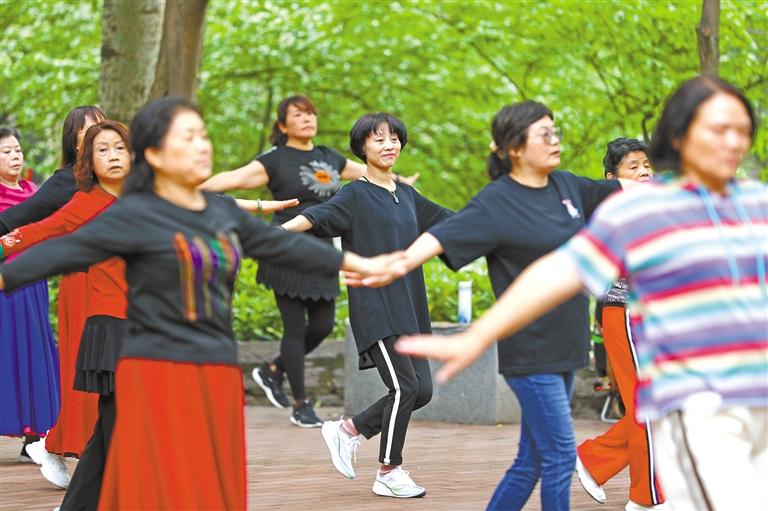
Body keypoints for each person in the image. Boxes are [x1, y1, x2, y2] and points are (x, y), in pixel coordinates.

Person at [0, 96, 406, 509]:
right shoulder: (132, 214)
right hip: (155, 367)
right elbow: (55, 251)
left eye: (202, 136)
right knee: (158, 478)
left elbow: (278, 244)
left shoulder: (214, 209)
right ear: (155, 155)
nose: (201, 146)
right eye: (186, 138)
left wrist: (358, 263)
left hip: (215, 371)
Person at [397, 77, 767, 511]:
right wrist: (471, 328)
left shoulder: (749, 204)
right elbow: (557, 269)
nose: (731, 142)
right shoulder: (589, 208)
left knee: (534, 460)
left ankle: (597, 463)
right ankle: (644, 496)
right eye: (717, 129)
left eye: (741, 130)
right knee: (561, 454)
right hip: (573, 343)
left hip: (585, 350)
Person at [351, 101, 630, 510]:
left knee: (530, 461)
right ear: (515, 147)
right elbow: (443, 235)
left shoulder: (567, 187)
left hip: (568, 344)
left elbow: (629, 189)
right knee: (558, 456)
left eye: (555, 131)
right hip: (530, 349)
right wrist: (398, 263)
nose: (555, 140)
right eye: (544, 134)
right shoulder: (497, 201)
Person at [200, 95, 418, 427]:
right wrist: (187, 188)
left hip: (322, 249)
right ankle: (301, 403)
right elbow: (232, 178)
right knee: (294, 327)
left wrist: (401, 183)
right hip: (286, 245)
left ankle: (274, 369)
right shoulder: (274, 160)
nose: (307, 119)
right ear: (283, 125)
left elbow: (370, 171)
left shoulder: (329, 157)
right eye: (298, 115)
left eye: (311, 114)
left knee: (322, 325)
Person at [282, 112, 452, 498]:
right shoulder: (354, 195)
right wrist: (269, 237)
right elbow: (315, 216)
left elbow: (451, 222)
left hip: (409, 307)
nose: (389, 145)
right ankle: (389, 470)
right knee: (404, 386)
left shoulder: (407, 195)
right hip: (376, 306)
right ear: (362, 147)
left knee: (421, 390)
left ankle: (348, 430)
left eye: (394, 138)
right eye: (379, 139)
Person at [1, 120, 131, 509]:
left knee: (113, 425)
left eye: (119, 147)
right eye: (102, 149)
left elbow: (204, 205)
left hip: (152, 325)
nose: (112, 156)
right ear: (87, 158)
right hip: (112, 327)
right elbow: (36, 231)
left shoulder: (149, 197)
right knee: (117, 421)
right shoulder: (85, 202)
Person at [575, 138, 667, 511]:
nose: (644, 172)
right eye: (633, 166)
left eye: (647, 164)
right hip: (626, 310)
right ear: (612, 179)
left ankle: (595, 458)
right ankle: (646, 499)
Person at [0, 127, 60, 470]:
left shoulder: (35, 194)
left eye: (18, 150)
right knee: (5, 353)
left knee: (35, 353)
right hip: (5, 286)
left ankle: (34, 437)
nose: (15, 156)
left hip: (34, 283)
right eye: (6, 151)